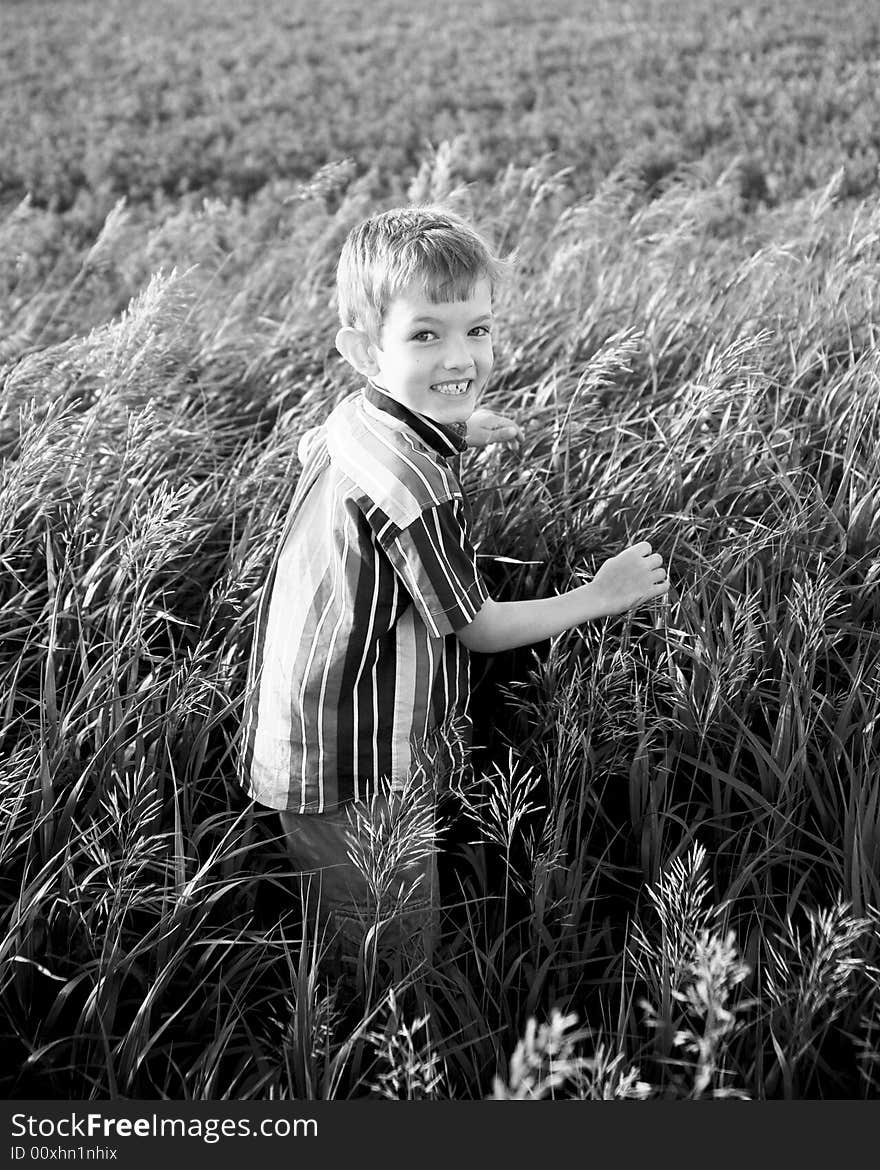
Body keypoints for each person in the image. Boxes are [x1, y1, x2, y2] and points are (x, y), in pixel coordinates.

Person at [239, 204, 669, 995]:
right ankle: (386, 1064)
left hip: (308, 733)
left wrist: (460, 426)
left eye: (478, 331)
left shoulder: (355, 420)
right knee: (395, 965)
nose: (461, 357)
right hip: (358, 770)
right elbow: (476, 629)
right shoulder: (414, 489)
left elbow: (324, 443)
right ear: (364, 350)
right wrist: (601, 595)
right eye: (426, 335)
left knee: (353, 930)